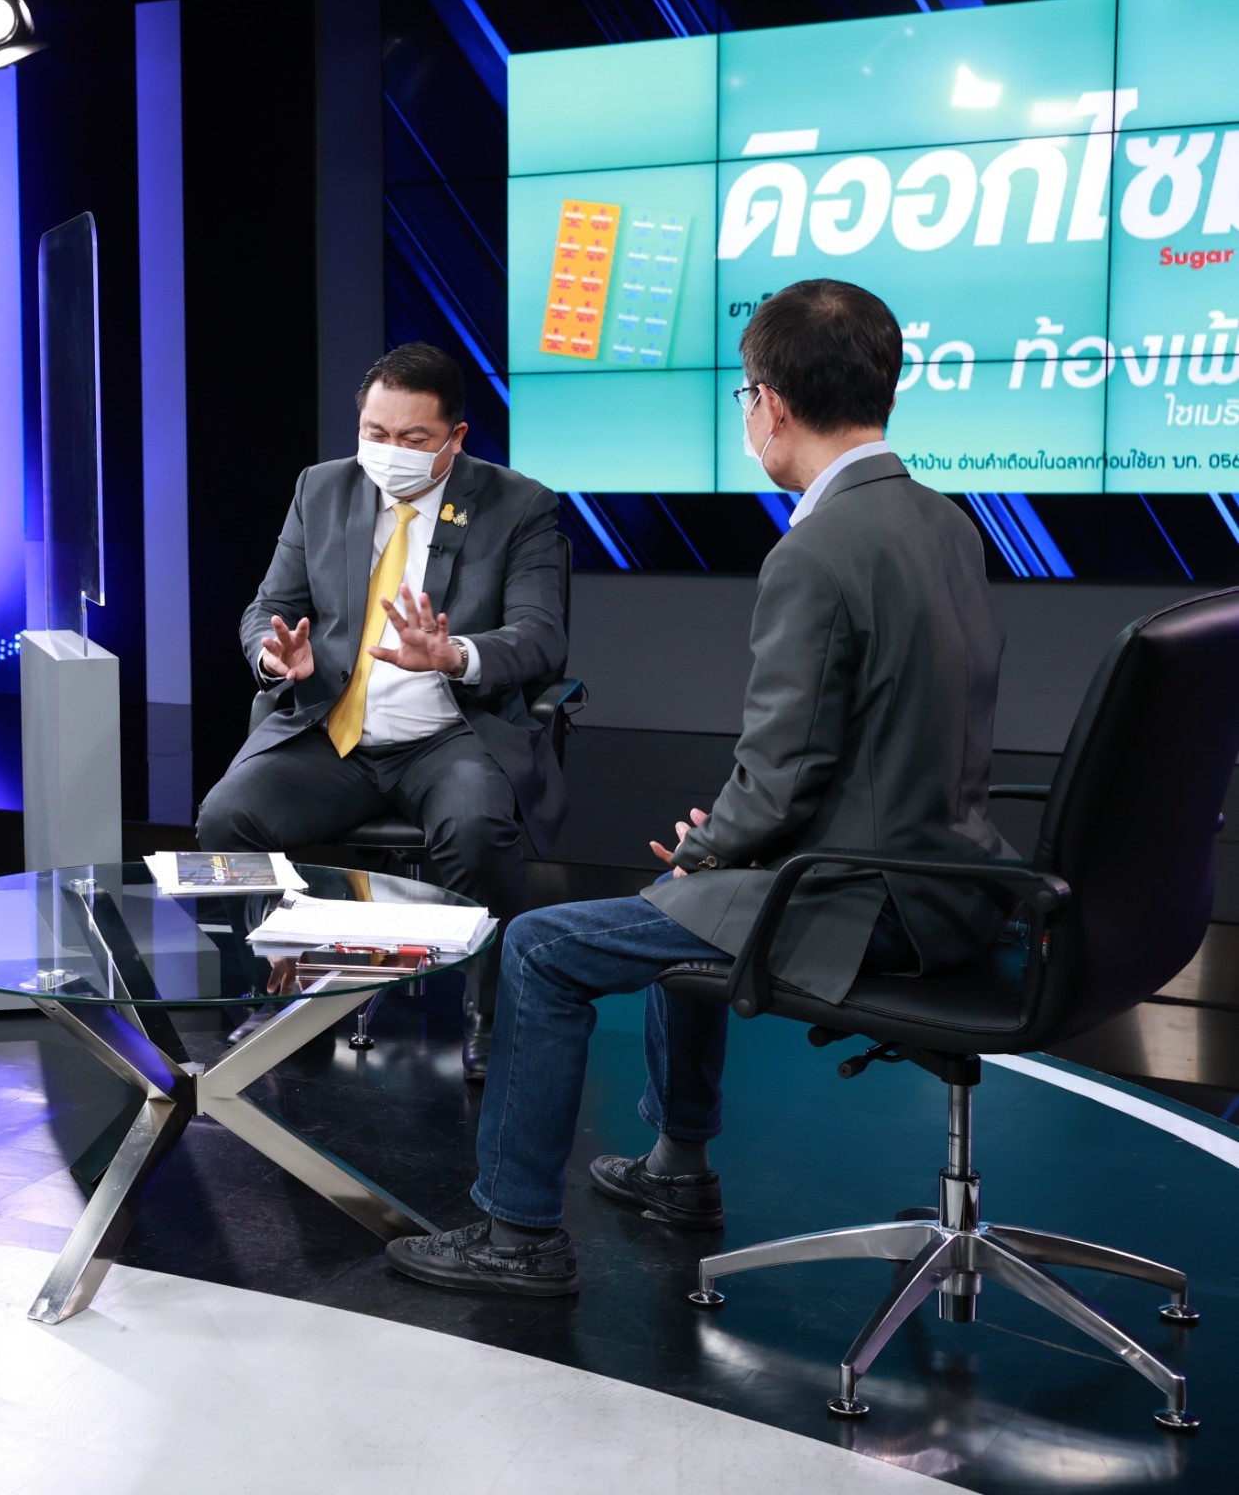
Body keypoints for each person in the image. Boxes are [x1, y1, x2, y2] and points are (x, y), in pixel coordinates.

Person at [385, 279, 1011, 1298]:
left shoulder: (818, 549)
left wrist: (715, 845)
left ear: (770, 404)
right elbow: (873, 744)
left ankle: (517, 1233)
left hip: (861, 900)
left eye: (744, 398)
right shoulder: (945, 523)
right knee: (692, 892)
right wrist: (722, 848)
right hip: (952, 879)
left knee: (544, 946)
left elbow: (782, 771)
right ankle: (677, 1168)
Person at [196, 342, 569, 1078]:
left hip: (448, 735)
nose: (389, 451)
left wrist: (453, 653)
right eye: (376, 433)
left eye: (412, 438)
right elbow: (268, 607)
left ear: (456, 437)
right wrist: (276, 655)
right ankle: (280, 991)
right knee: (226, 819)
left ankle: (489, 1012)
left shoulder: (519, 504)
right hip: (334, 730)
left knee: (475, 828)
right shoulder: (321, 488)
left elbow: (541, 636)